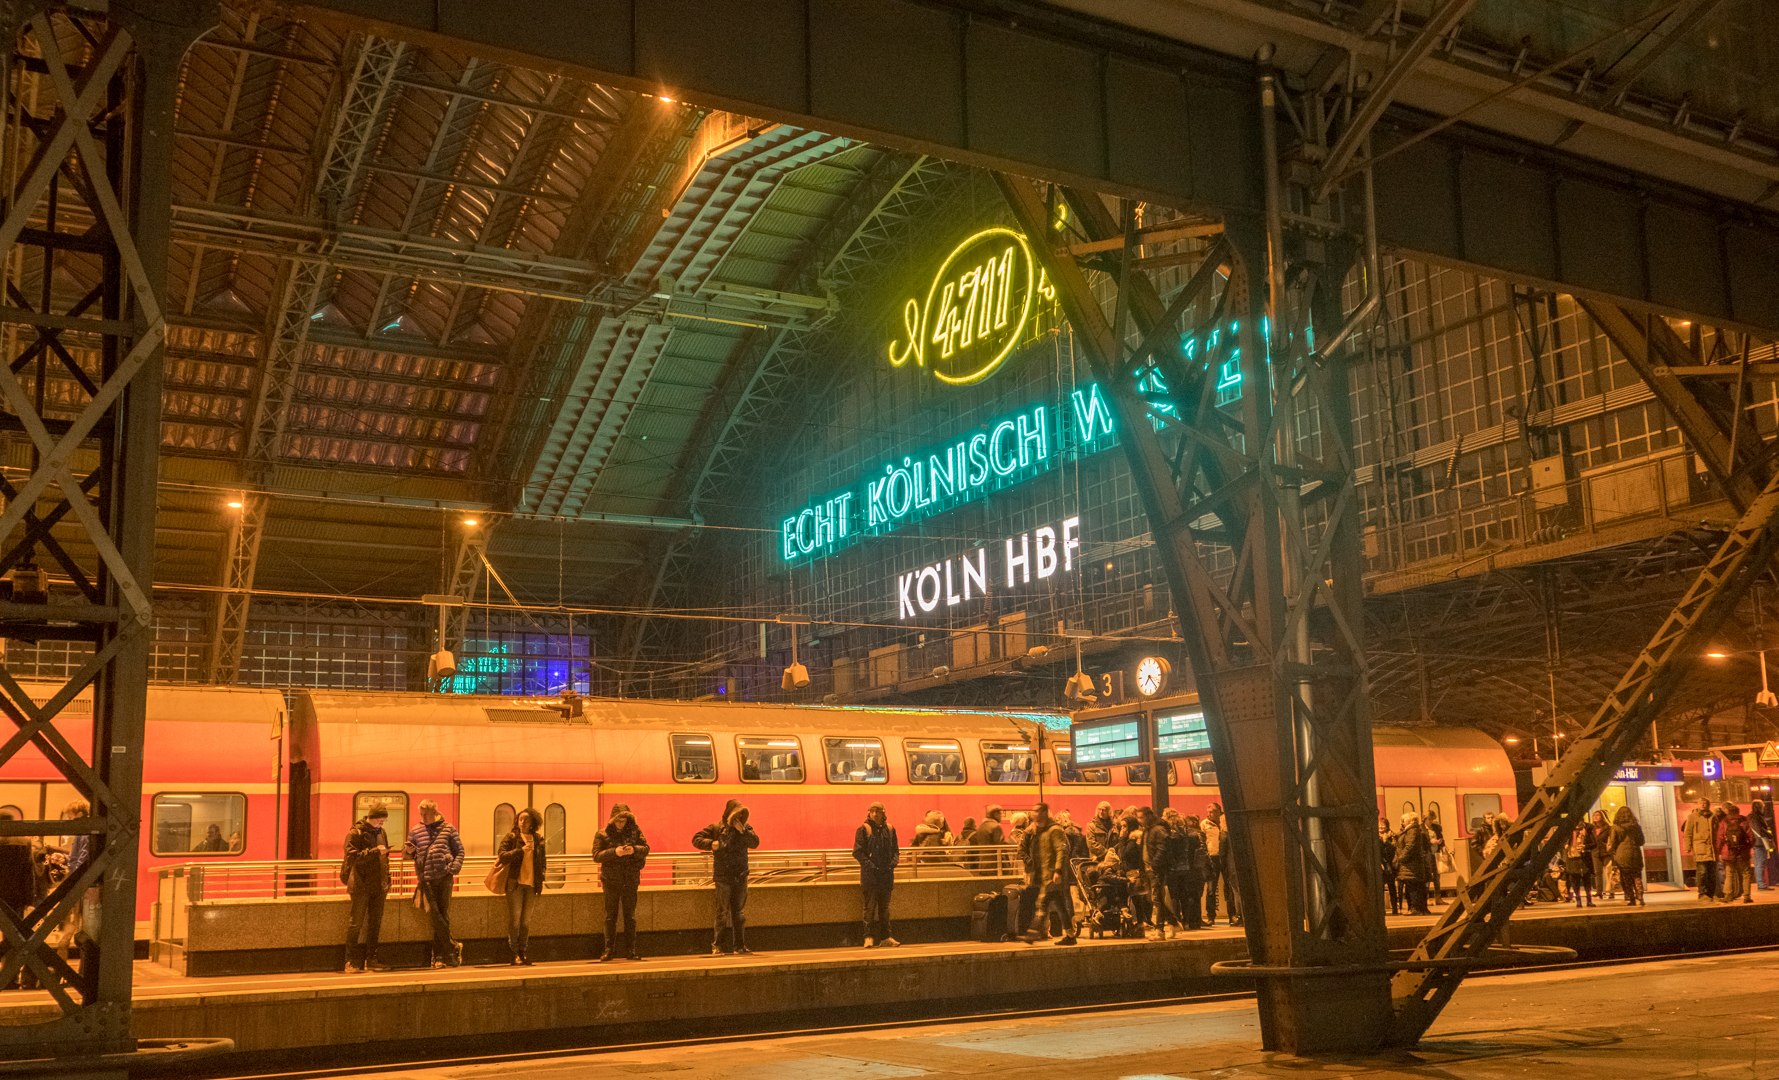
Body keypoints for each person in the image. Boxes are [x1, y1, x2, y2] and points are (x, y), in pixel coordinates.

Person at [404, 799, 466, 968]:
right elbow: (408, 855)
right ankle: (452, 948)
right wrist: (408, 852)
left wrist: (453, 868)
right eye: (421, 814)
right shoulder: (416, 831)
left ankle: (440, 957)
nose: (422, 817)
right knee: (436, 916)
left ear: (434, 813)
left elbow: (460, 850)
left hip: (444, 877)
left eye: (425, 814)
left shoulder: (448, 829)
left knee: (442, 915)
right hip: (426, 878)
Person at [693, 800, 759, 954]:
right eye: (737, 814)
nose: (739, 818)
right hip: (723, 877)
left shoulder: (745, 828)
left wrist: (743, 831)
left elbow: (755, 842)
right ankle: (717, 945)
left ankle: (740, 946)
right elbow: (696, 839)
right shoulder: (716, 828)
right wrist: (711, 843)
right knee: (722, 912)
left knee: (739, 913)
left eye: (742, 815)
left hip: (740, 875)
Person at [593, 803, 649, 961]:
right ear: (613, 819)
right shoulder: (602, 834)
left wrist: (634, 850)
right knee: (610, 916)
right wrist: (615, 852)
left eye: (623, 820)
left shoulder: (635, 831)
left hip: (630, 879)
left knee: (630, 917)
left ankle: (630, 950)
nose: (621, 823)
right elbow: (596, 855)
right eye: (618, 820)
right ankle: (609, 950)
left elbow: (646, 848)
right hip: (611, 880)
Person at [340, 802, 392, 972]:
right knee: (356, 924)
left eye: (383, 822)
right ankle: (350, 961)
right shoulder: (355, 833)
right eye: (380, 820)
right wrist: (375, 851)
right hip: (361, 885)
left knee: (375, 923)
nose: (381, 824)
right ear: (372, 817)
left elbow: (385, 858)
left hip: (379, 885)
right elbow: (352, 857)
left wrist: (388, 878)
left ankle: (372, 959)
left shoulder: (381, 833)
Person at [496, 808, 546, 965]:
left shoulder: (538, 839)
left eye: (527, 820)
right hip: (515, 884)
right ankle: (513, 953)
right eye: (520, 819)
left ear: (533, 823)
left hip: (531, 885)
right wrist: (520, 851)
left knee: (526, 921)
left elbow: (542, 861)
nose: (523, 822)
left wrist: (541, 876)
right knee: (515, 920)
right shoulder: (511, 837)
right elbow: (502, 856)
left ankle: (523, 951)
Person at [1023, 803, 1074, 944]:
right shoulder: (1040, 831)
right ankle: (1071, 935)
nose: (1034, 814)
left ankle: (1032, 933)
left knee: (1042, 903)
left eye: (1037, 811)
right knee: (1060, 906)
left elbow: (1061, 850)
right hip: (1045, 875)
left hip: (1053, 875)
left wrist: (1058, 871)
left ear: (1044, 813)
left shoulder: (1054, 830)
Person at [853, 802, 900, 947]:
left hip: (885, 875)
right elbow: (858, 852)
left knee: (884, 909)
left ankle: (886, 937)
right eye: (872, 811)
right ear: (869, 813)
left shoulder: (890, 830)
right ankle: (868, 937)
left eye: (877, 811)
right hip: (870, 877)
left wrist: (892, 864)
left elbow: (896, 851)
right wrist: (872, 867)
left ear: (883, 813)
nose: (874, 814)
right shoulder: (863, 829)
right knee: (870, 907)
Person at [1139, 807, 1175, 936]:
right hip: (1148, 870)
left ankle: (1159, 930)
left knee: (1157, 899)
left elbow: (1163, 848)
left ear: (1148, 816)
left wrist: (1154, 864)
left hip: (1156, 870)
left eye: (1141, 817)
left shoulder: (1158, 830)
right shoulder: (1147, 830)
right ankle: (1173, 922)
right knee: (1154, 899)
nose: (1140, 820)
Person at [1394, 811, 1433, 915]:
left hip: (1411, 865)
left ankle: (1416, 909)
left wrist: (1400, 858)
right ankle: (1418, 908)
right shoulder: (1411, 830)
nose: (1402, 823)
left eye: (1403, 820)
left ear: (1409, 820)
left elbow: (1410, 846)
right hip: (1411, 865)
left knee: (1413, 887)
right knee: (1414, 886)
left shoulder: (1412, 831)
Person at [1717, 802, 1756, 904]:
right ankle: (1747, 896)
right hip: (1743, 852)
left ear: (1728, 812)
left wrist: (1719, 851)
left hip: (1729, 852)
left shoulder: (1724, 822)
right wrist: (1747, 848)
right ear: (1738, 812)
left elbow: (1720, 838)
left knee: (1729, 873)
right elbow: (1751, 837)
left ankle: (1728, 895)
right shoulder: (1743, 821)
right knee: (1746, 873)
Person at [1684, 797, 1718, 901]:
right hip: (1700, 848)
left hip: (1712, 849)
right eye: (1701, 803)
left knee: (1712, 873)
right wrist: (1688, 847)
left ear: (1709, 805)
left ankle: (1711, 893)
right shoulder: (1692, 817)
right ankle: (1702, 893)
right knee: (1702, 872)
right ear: (1697, 805)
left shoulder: (1713, 817)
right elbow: (1688, 832)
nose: (1703, 805)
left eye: (1705, 803)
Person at [1609, 805, 1645, 906]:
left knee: (1626, 877)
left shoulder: (1616, 827)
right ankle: (1640, 896)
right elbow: (1641, 841)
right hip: (1635, 853)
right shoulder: (1636, 827)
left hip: (1622, 854)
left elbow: (1612, 842)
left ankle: (1631, 898)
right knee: (1637, 875)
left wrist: (1612, 851)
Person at [1562, 822, 1595, 908]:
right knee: (1574, 879)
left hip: (1584, 857)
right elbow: (1562, 842)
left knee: (1587, 879)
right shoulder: (1568, 831)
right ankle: (1578, 900)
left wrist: (1585, 846)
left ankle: (1589, 900)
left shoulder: (1587, 831)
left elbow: (1594, 844)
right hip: (1572, 857)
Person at [1589, 809, 1616, 899]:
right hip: (1595, 852)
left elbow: (1611, 840)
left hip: (1606, 852)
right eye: (1594, 815)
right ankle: (1599, 891)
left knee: (1609, 872)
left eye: (1598, 815)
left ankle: (1611, 891)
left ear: (1602, 817)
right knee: (1598, 873)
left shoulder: (1608, 828)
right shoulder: (1591, 828)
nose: (1595, 817)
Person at [1751, 798, 1775, 890]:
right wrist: (1769, 834)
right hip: (1760, 842)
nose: (1764, 808)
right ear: (1758, 807)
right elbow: (1760, 830)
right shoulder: (1756, 817)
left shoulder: (1753, 816)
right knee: (1760, 863)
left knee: (1759, 863)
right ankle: (1761, 884)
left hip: (1758, 842)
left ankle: (1761, 883)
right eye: (1762, 806)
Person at [1379, 814, 1400, 915]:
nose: (1381, 827)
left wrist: (1386, 841)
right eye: (1379, 825)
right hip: (1381, 864)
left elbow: (1395, 847)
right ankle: (1381, 909)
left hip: (1391, 865)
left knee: (1392, 887)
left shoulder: (1392, 835)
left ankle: (1394, 909)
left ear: (1387, 825)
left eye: (1383, 825)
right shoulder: (1375, 836)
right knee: (1381, 888)